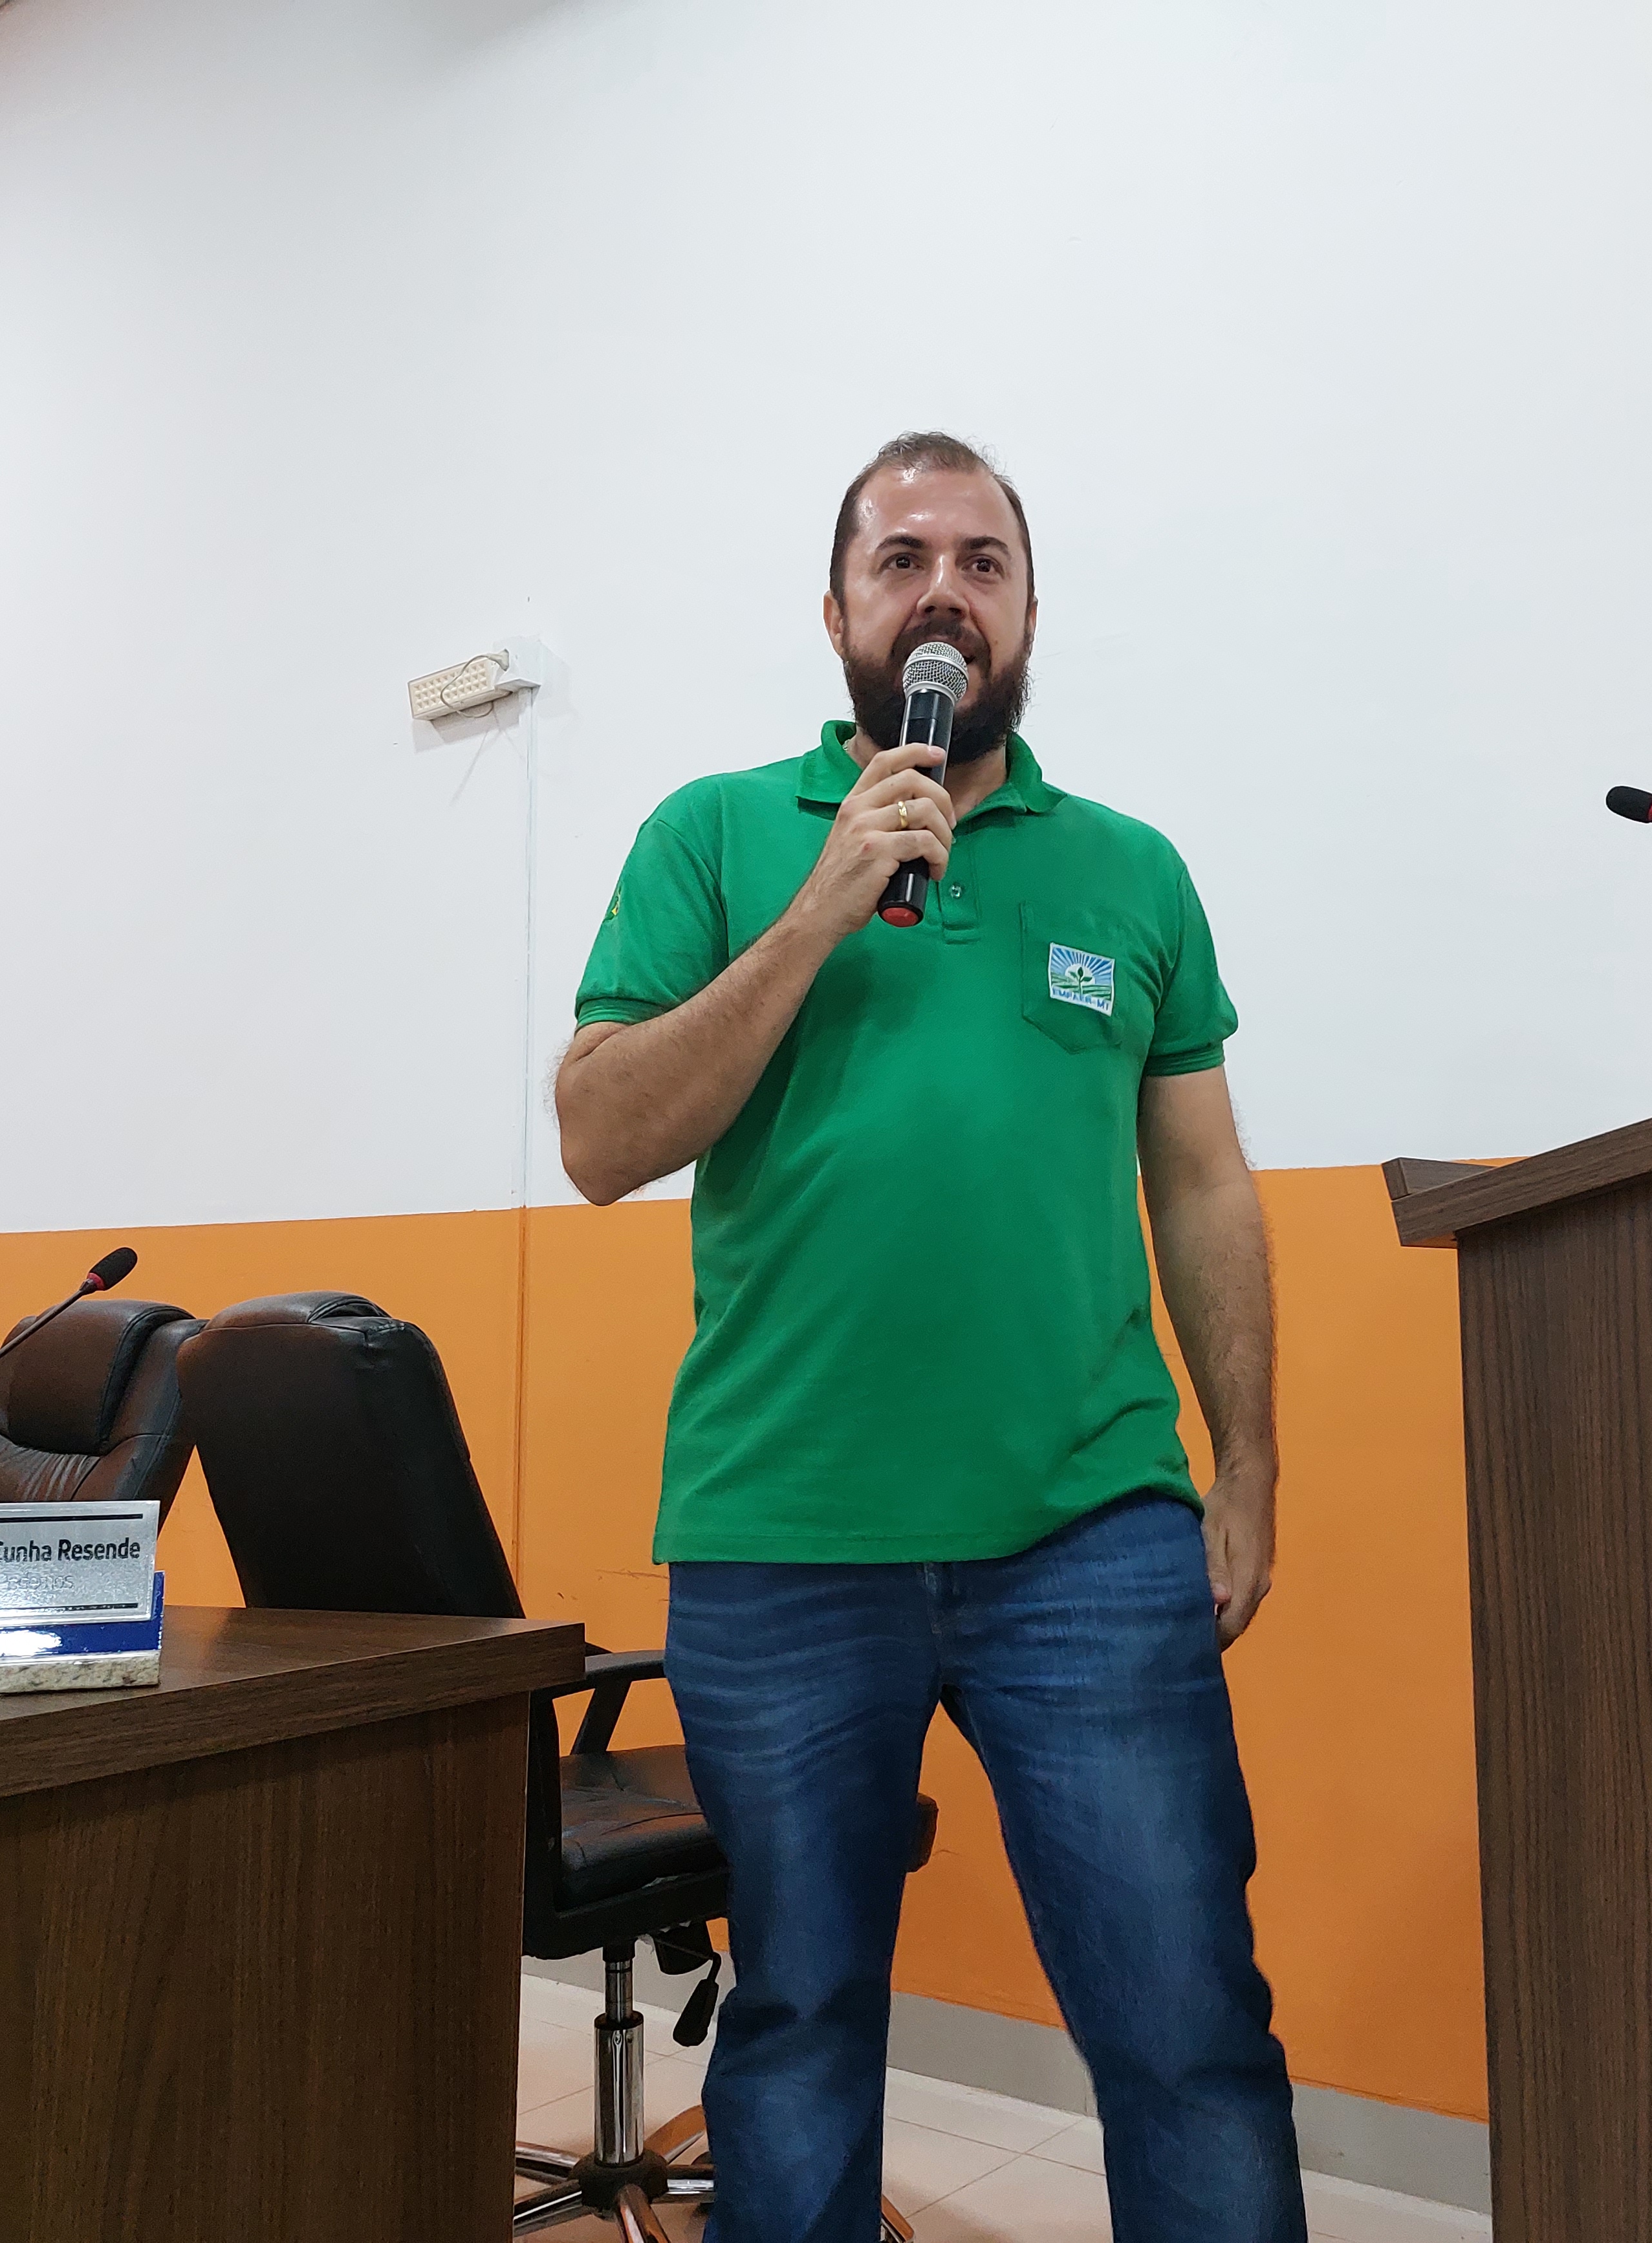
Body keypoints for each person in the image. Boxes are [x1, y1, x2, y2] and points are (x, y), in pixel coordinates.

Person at [557, 431, 1301, 2241]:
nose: (943, 592)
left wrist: (1250, 1459)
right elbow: (599, 1136)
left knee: (1190, 2024)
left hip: (1090, 1533)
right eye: (901, 560)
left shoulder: (1131, 871)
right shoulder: (715, 834)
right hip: (785, 1529)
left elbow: (1205, 1186)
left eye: (982, 561)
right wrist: (823, 906)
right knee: (803, 2025)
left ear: (1028, 611)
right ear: (838, 614)